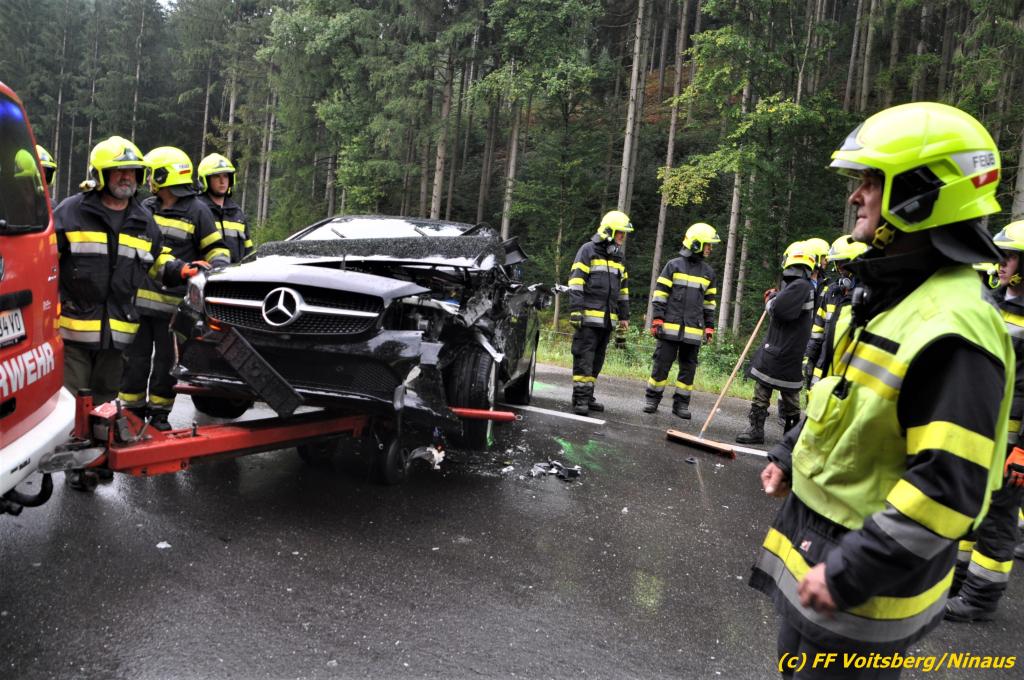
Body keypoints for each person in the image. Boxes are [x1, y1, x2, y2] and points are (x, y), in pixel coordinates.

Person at [750, 102, 1013, 678]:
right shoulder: (893, 294)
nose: (856, 196)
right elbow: (848, 399)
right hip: (823, 566)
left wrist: (850, 572)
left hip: (857, 600)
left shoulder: (954, 328)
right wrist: (788, 454)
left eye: (871, 180)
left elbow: (946, 490)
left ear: (920, 194)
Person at [944, 220, 1024, 622]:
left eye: (1010, 256)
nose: (1001, 263)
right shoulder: (991, 301)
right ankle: (957, 580)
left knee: (997, 519)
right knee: (968, 505)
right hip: (979, 430)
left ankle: (980, 597)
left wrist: (1023, 452)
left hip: (1013, 444)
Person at [118, 147, 229, 430]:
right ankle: (131, 412)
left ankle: (159, 413)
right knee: (134, 360)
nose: (148, 180)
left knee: (166, 363)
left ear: (163, 176)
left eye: (152, 174)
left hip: (174, 309)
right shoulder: (146, 207)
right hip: (138, 305)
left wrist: (214, 271)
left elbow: (217, 249)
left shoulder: (198, 211)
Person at [735, 241, 815, 445]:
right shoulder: (800, 286)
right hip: (785, 349)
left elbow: (780, 310)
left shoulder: (800, 286)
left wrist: (771, 299)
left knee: (781, 393)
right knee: (774, 391)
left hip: (783, 350)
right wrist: (778, 295)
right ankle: (777, 435)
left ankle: (781, 435)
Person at [643, 222, 720, 418]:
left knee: (688, 369)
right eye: (708, 245)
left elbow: (709, 304)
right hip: (668, 328)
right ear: (696, 244)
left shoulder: (708, 273)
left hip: (693, 330)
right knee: (661, 365)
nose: (710, 249)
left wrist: (709, 327)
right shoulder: (673, 266)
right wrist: (657, 319)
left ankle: (681, 405)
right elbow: (660, 295)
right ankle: (652, 400)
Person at [567, 210, 631, 415]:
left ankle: (588, 395)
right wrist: (576, 310)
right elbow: (576, 282)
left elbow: (623, 291)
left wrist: (624, 317)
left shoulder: (618, 258)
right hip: (587, 318)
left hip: (607, 320)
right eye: (620, 232)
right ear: (609, 232)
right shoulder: (588, 250)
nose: (622, 236)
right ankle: (580, 399)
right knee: (584, 358)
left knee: (597, 360)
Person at [802, 235, 868, 389]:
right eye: (836, 264)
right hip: (822, 366)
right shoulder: (832, 292)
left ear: (856, 264)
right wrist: (809, 359)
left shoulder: (867, 296)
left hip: (848, 371)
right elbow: (817, 331)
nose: (839, 269)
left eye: (842, 264)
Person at [197, 152, 253, 262]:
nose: (222, 181)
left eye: (225, 176)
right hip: (207, 272)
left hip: (235, 272)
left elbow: (249, 252)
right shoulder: (197, 211)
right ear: (205, 180)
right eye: (216, 176)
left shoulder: (237, 213)